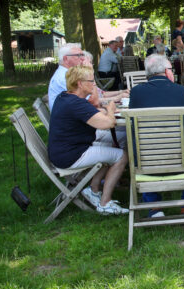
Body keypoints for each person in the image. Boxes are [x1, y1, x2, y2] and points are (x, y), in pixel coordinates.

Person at [129, 54, 184, 219]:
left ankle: (154, 208)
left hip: (145, 160)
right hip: (178, 158)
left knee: (141, 150)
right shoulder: (181, 91)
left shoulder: (136, 92)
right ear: (167, 71)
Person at [47, 65, 129, 215]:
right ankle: (105, 204)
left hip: (65, 150)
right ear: (80, 83)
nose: (94, 85)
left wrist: (105, 110)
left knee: (112, 143)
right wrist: (110, 110)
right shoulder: (76, 104)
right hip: (70, 155)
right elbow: (108, 124)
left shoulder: (66, 97)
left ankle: (94, 190)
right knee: (122, 156)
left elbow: (93, 111)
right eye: (91, 81)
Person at [48, 43, 86, 110]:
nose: (83, 58)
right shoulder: (63, 77)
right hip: (71, 115)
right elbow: (91, 100)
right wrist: (90, 71)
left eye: (82, 55)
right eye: (78, 55)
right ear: (65, 59)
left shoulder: (69, 74)